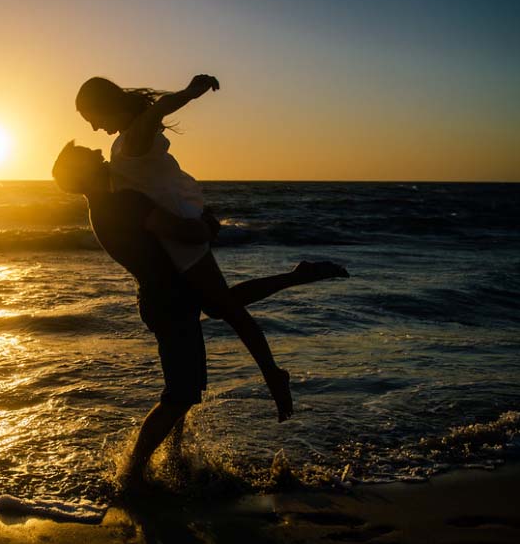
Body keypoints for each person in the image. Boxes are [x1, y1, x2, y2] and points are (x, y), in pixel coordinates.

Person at [52, 142, 347, 491]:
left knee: (194, 366)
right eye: (93, 157)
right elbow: (183, 231)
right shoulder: (121, 204)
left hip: (166, 297)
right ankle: (132, 475)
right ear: (82, 174)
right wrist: (207, 225)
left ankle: (173, 460)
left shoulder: (104, 207)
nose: (103, 157)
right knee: (180, 393)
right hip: (168, 302)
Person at [76, 75, 347, 421]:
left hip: (180, 229)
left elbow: (159, 108)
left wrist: (190, 93)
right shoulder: (124, 143)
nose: (96, 128)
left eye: (93, 118)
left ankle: (274, 369)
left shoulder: (132, 140)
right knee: (222, 305)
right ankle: (294, 287)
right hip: (175, 226)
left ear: (105, 105)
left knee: (227, 308)